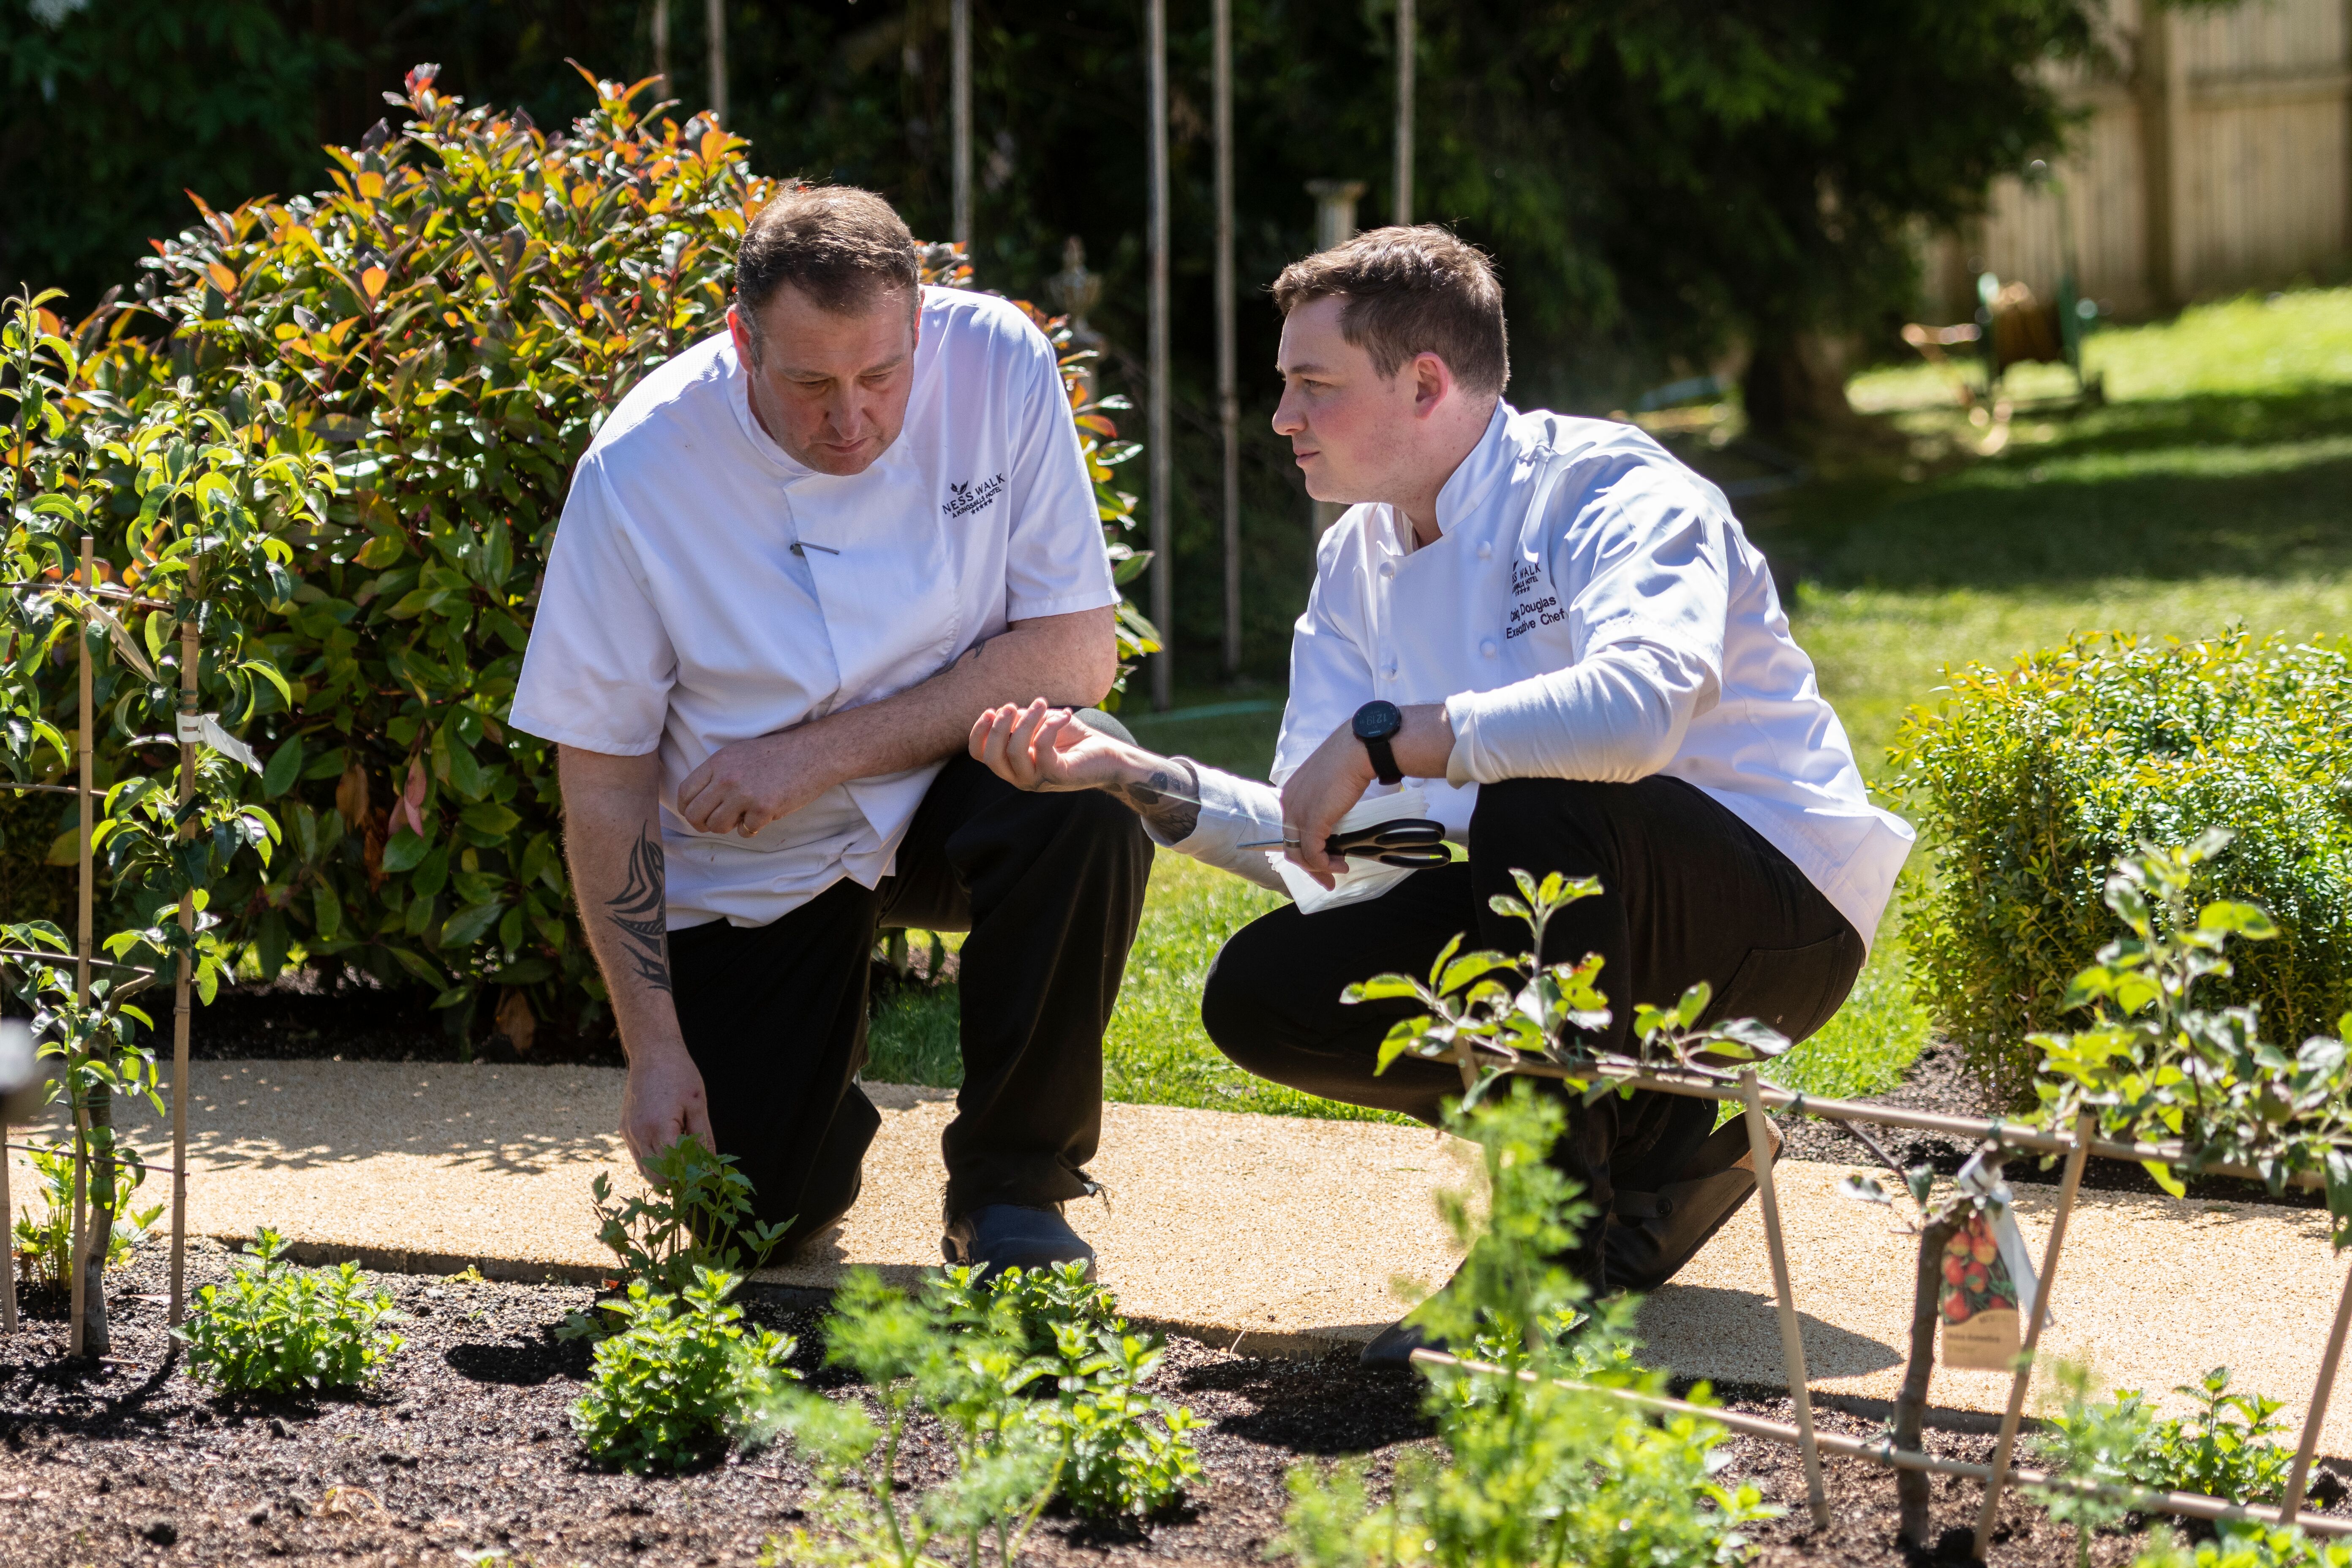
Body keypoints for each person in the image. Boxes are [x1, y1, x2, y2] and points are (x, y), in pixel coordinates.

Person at [970, 224, 1912, 1362]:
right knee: (1267, 988)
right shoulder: (1354, 558)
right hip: (1571, 910)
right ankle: (1652, 1156)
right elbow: (1334, 843)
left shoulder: (1610, 485)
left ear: (1426, 383)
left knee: (1538, 802)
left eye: (1314, 387)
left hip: (1775, 924)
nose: (1283, 419)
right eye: (1284, 387)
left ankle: (1543, 1264)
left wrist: (1388, 739)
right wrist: (1140, 782)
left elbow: (1644, 706)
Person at [511, 185, 1149, 1278]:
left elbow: (1080, 652)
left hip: (953, 782)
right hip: (757, 857)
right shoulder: (637, 473)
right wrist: (654, 1051)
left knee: (1089, 794)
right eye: (808, 382)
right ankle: (810, 1102)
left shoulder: (998, 362)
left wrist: (814, 754)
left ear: (920, 324)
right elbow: (605, 781)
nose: (849, 418)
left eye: (881, 376)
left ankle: (1015, 1189)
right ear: (740, 342)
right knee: (749, 1222)